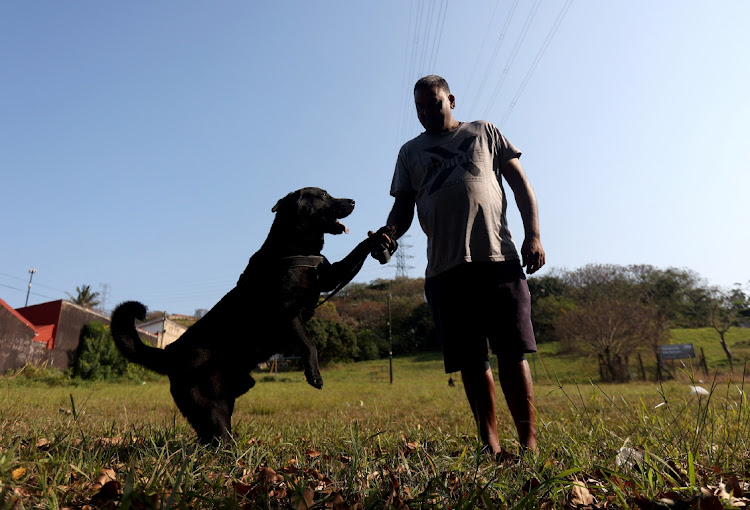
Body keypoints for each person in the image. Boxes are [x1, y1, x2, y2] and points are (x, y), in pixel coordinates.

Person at [376, 75, 545, 454]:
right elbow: (403, 207)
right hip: (445, 269)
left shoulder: (485, 132)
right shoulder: (409, 153)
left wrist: (533, 235)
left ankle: (529, 445)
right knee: (471, 358)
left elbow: (520, 185)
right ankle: (491, 445)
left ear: (450, 99)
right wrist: (390, 232)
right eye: (420, 108)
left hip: (498, 258)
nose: (427, 113)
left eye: (434, 104)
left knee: (512, 352)